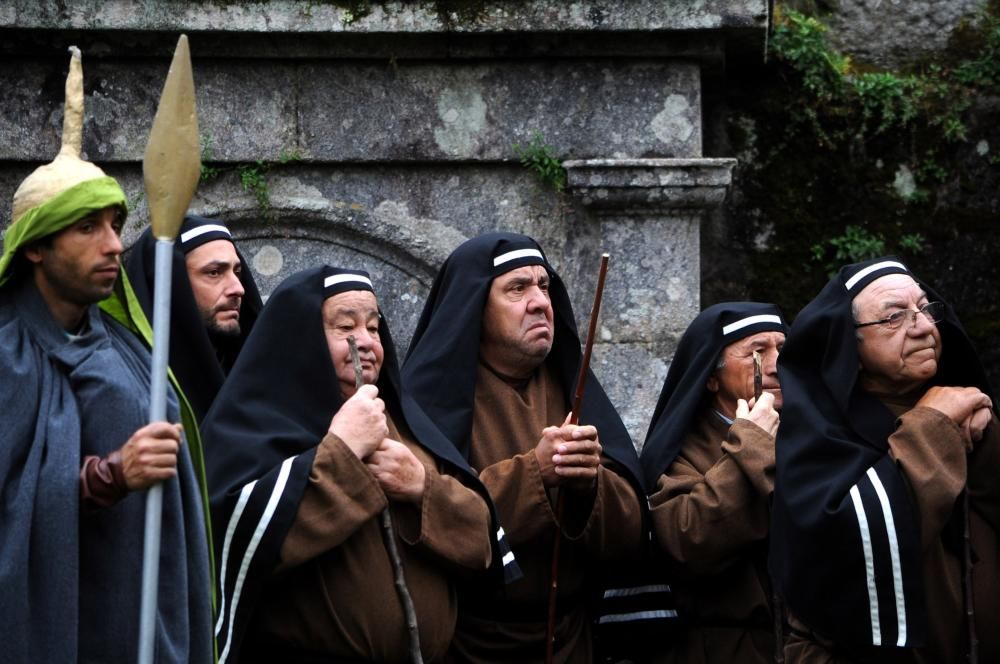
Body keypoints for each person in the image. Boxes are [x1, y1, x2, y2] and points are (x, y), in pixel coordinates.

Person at [0, 46, 212, 663]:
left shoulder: (130, 348)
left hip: (141, 620)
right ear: (35, 248)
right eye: (88, 228)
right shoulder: (6, 353)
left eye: (117, 226)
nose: (114, 245)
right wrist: (108, 476)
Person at [204, 266, 499, 663]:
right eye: (346, 328)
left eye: (374, 328)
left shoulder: (405, 426)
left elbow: (481, 541)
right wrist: (342, 450)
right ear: (302, 340)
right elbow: (243, 545)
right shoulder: (254, 428)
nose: (366, 343)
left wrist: (422, 486)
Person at [402, 232, 647, 663]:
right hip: (469, 643)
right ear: (475, 307)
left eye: (544, 286)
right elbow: (432, 516)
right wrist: (534, 471)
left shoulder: (574, 391)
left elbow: (631, 535)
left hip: (571, 641)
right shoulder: (429, 405)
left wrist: (590, 484)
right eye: (517, 288)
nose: (539, 302)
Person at [770, 257, 999, 663]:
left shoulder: (971, 414)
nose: (926, 327)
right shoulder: (819, 441)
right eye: (894, 317)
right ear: (849, 347)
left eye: (926, 309)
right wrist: (933, 424)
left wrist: (982, 424)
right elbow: (846, 551)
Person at [640, 302, 787, 663]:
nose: (776, 365)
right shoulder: (682, 451)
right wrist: (750, 443)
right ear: (711, 376)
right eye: (757, 352)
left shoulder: (810, 437)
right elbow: (687, 538)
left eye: (782, 349)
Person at [126, 214, 262, 421]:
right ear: (172, 283)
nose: (238, 288)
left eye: (237, 272)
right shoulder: (131, 384)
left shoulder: (256, 384)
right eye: (215, 273)